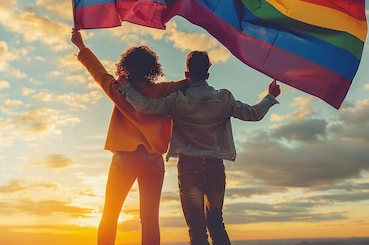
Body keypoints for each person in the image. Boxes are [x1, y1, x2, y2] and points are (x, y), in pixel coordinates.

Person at [119, 51, 281, 245]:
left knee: (197, 231)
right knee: (216, 224)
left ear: (187, 75)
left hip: (189, 169)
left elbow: (145, 106)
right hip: (215, 169)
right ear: (207, 75)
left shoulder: (177, 100)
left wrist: (126, 87)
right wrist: (270, 97)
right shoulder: (224, 98)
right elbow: (254, 113)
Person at [70, 28, 186, 245]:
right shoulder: (163, 90)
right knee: (150, 219)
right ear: (152, 69)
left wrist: (82, 47)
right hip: (152, 160)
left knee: (110, 214)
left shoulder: (118, 89)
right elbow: (187, 84)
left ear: (127, 67)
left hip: (124, 158)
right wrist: (194, 75)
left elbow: (99, 72)